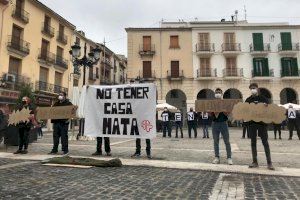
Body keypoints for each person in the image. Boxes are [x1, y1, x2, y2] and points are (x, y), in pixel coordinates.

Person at [245, 83, 274, 170]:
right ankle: (255, 162)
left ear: (257, 89)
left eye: (254, 88)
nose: (252, 90)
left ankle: (269, 163)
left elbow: (269, 108)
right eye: (251, 88)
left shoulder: (263, 98)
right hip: (252, 123)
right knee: (253, 143)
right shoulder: (248, 99)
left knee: (265, 143)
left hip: (262, 123)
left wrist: (266, 107)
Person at [210, 88, 232, 165]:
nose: (218, 94)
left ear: (222, 94)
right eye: (216, 93)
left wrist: (222, 109)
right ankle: (217, 157)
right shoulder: (212, 103)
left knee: (227, 141)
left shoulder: (225, 103)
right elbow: (210, 114)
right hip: (214, 123)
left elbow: (228, 113)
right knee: (216, 141)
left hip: (223, 123)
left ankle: (229, 157)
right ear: (214, 94)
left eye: (219, 92)